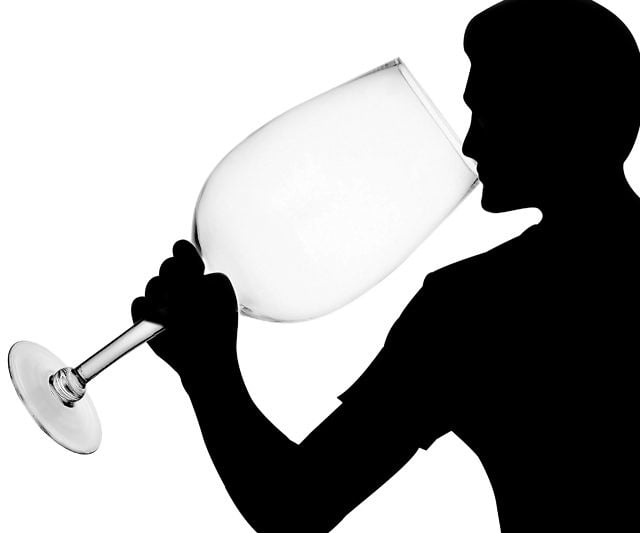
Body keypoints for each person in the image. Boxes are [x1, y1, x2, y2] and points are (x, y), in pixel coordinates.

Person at [131, 1, 640, 531]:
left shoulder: (477, 306)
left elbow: (294, 505)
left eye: (488, 112)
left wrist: (207, 370)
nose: (471, 144)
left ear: (554, 117)